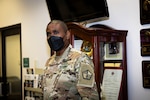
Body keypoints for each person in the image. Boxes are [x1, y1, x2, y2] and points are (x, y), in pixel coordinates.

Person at [43, 20, 99, 100]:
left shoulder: (81, 59)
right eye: (49, 34)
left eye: (55, 32)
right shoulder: (49, 62)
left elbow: (90, 96)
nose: (52, 37)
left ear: (67, 35)